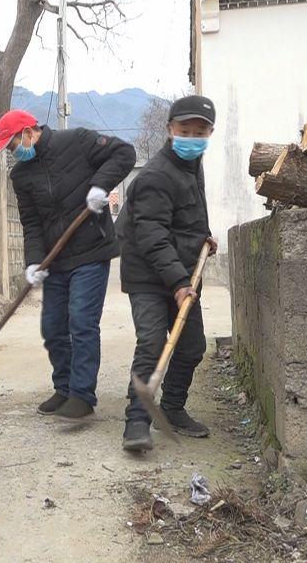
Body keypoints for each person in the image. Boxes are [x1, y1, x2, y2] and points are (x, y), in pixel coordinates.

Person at [0, 109, 136, 421]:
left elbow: (125, 153)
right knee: (53, 326)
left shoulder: (77, 141)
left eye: (13, 146)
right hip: (55, 258)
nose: (14, 154)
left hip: (90, 251)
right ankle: (65, 387)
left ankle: (82, 396)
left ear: (28, 132)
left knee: (81, 321)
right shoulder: (21, 176)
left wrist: (99, 185)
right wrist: (33, 262)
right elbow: (31, 223)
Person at [115, 95, 219, 451]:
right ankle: (136, 423)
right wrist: (177, 283)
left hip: (184, 272)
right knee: (152, 343)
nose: (192, 137)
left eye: (200, 132)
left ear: (210, 133)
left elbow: (182, 218)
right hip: (148, 273)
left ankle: (172, 409)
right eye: (184, 130)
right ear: (170, 130)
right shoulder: (156, 176)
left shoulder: (193, 165)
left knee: (192, 347)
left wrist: (201, 239)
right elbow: (152, 234)